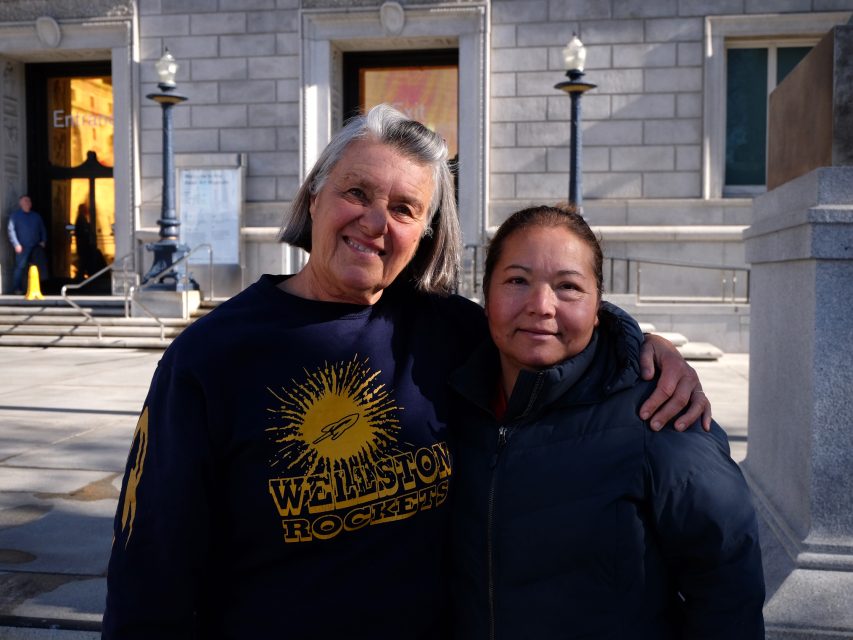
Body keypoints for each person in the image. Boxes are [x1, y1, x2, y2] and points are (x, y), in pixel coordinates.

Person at [103, 105, 710, 638]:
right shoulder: (209, 357)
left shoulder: (449, 330)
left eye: (404, 208)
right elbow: (150, 566)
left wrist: (642, 344)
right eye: (356, 193)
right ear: (315, 195)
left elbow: (546, 325)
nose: (375, 222)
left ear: (424, 234)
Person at [449, 205, 765, 639]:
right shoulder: (450, 396)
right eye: (517, 281)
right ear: (486, 295)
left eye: (568, 287)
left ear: (600, 306)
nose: (541, 306)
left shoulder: (662, 412)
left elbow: (727, 585)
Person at [7, 195, 47, 294]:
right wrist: (16, 244)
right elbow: (11, 230)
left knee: (38, 267)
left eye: (29, 201)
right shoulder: (15, 216)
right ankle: (17, 288)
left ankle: (37, 289)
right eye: (25, 201)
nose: (27, 203)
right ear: (20, 203)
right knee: (20, 267)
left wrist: (43, 241)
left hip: (36, 246)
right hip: (22, 247)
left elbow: (42, 229)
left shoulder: (36, 216)